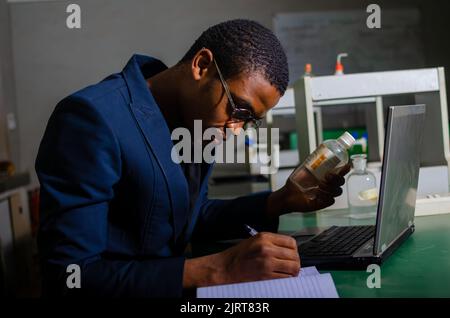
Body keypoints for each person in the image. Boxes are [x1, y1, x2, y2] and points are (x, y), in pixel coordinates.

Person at [36, 19, 347, 297]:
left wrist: (280, 201)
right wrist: (218, 269)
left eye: (249, 120)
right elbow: (70, 276)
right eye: (238, 109)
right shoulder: (92, 118)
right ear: (202, 65)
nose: (235, 130)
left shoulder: (196, 123)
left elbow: (188, 217)